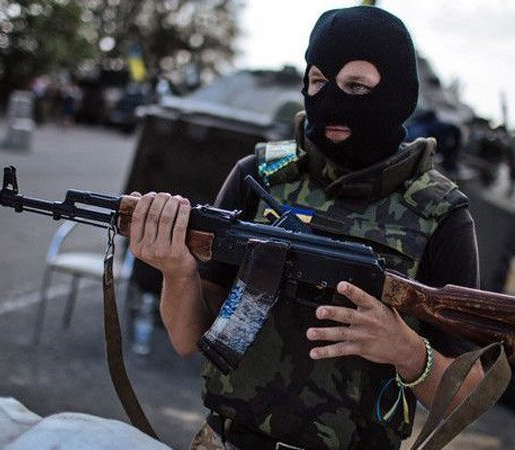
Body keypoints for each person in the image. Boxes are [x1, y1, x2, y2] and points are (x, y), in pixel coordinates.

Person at [129, 6, 484, 449]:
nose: (330, 100)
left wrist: (408, 351)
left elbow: (468, 398)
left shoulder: (439, 213)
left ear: (397, 93)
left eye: (356, 86)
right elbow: (187, 340)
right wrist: (177, 271)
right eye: (319, 81)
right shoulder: (258, 176)